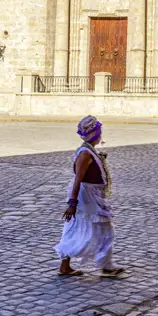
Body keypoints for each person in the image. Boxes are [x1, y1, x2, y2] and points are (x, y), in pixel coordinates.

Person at [55, 116, 124, 278]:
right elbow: (78, 179)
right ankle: (106, 267)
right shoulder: (85, 153)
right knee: (104, 228)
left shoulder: (89, 150)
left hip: (91, 195)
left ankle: (66, 266)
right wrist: (73, 203)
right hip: (87, 197)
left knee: (76, 228)